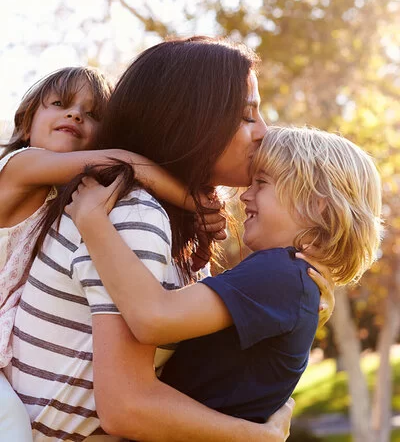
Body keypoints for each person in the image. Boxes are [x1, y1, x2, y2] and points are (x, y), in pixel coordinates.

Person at [6, 37, 332, 441]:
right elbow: (127, 408)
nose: (263, 131)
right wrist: (257, 436)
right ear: (192, 119)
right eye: (248, 115)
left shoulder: (158, 221)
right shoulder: (132, 215)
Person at [66, 125, 382, 423]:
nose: (245, 196)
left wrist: (92, 221)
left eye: (263, 183)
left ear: (317, 206)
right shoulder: (293, 281)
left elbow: (153, 317)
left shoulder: (280, 272)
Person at [0, 65, 207, 442]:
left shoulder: (61, 199)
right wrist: (195, 204)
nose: (75, 114)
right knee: (13, 429)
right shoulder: (19, 165)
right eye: (60, 103)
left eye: (92, 114)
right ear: (28, 122)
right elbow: (123, 163)